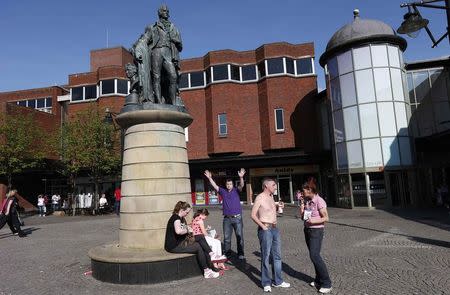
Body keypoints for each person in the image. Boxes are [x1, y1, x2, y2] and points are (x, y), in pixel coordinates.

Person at [251, 178, 290, 292]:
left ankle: (278, 281)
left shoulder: (271, 197)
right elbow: (253, 215)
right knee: (266, 256)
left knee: (277, 256)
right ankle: (266, 282)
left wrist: (279, 208)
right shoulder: (260, 197)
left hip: (274, 229)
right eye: (273, 185)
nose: (275, 187)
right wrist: (263, 226)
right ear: (266, 186)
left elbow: (271, 212)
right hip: (265, 229)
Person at [164, 201, 220, 279]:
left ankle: (211, 263)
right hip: (174, 245)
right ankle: (207, 270)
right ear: (181, 210)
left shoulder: (181, 218)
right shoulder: (176, 218)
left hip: (180, 242)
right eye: (186, 212)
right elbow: (178, 231)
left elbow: (183, 227)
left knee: (200, 240)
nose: (187, 214)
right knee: (198, 247)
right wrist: (188, 230)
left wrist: (189, 227)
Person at [299, 177, 332, 294]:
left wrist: (314, 221)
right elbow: (304, 217)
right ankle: (318, 280)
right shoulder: (307, 200)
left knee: (315, 256)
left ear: (309, 189)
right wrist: (302, 209)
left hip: (316, 231)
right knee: (313, 255)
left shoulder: (319, 201)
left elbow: (326, 218)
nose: (302, 192)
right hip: (307, 230)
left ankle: (327, 283)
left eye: (303, 190)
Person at [204, 168, 246, 259]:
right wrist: (210, 178)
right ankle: (227, 253)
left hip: (237, 218)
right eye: (227, 184)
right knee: (227, 238)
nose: (229, 185)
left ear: (232, 184)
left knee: (239, 237)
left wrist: (241, 177)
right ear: (226, 185)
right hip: (227, 218)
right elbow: (215, 186)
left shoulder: (236, 190)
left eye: (230, 184)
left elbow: (241, 185)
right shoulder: (223, 191)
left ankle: (241, 253)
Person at [146, 4, 183, 104]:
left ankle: (173, 102)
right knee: (156, 77)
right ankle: (158, 101)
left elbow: (180, 46)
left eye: (167, 11)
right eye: (164, 11)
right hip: (156, 51)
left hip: (168, 53)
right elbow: (144, 40)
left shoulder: (173, 27)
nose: (166, 12)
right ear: (159, 13)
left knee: (173, 76)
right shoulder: (152, 27)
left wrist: (175, 40)